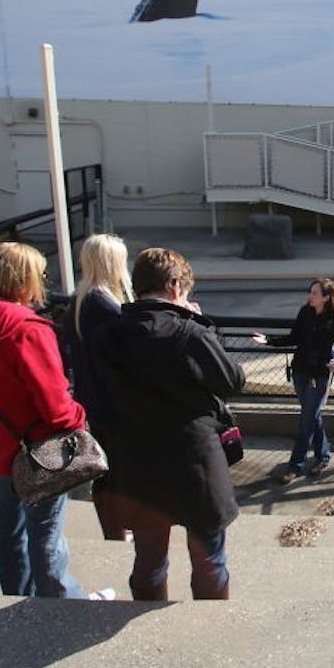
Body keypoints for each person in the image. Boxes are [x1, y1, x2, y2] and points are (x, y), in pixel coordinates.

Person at [0, 241, 110, 600]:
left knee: (9, 524)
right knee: (46, 533)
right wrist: (81, 417)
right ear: (26, 279)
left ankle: (17, 595)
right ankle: (62, 601)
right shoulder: (29, 329)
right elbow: (56, 407)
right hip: (37, 450)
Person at [93, 247, 244, 600]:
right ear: (176, 287)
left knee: (149, 558)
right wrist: (201, 326)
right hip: (194, 463)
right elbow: (231, 381)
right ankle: (208, 619)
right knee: (209, 559)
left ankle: (146, 610)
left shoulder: (108, 335)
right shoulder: (189, 333)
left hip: (136, 462)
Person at [64, 233, 134, 541]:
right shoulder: (104, 304)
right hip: (114, 402)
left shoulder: (81, 298)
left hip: (92, 397)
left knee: (107, 470)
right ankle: (117, 528)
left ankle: (115, 526)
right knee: (116, 470)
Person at [252, 277, 334, 484]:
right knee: (312, 416)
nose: (310, 296)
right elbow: (293, 337)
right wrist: (268, 341)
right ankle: (323, 456)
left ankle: (295, 465)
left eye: (314, 293)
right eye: (310, 292)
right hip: (300, 372)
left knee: (306, 419)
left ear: (326, 297)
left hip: (320, 375)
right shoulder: (305, 312)